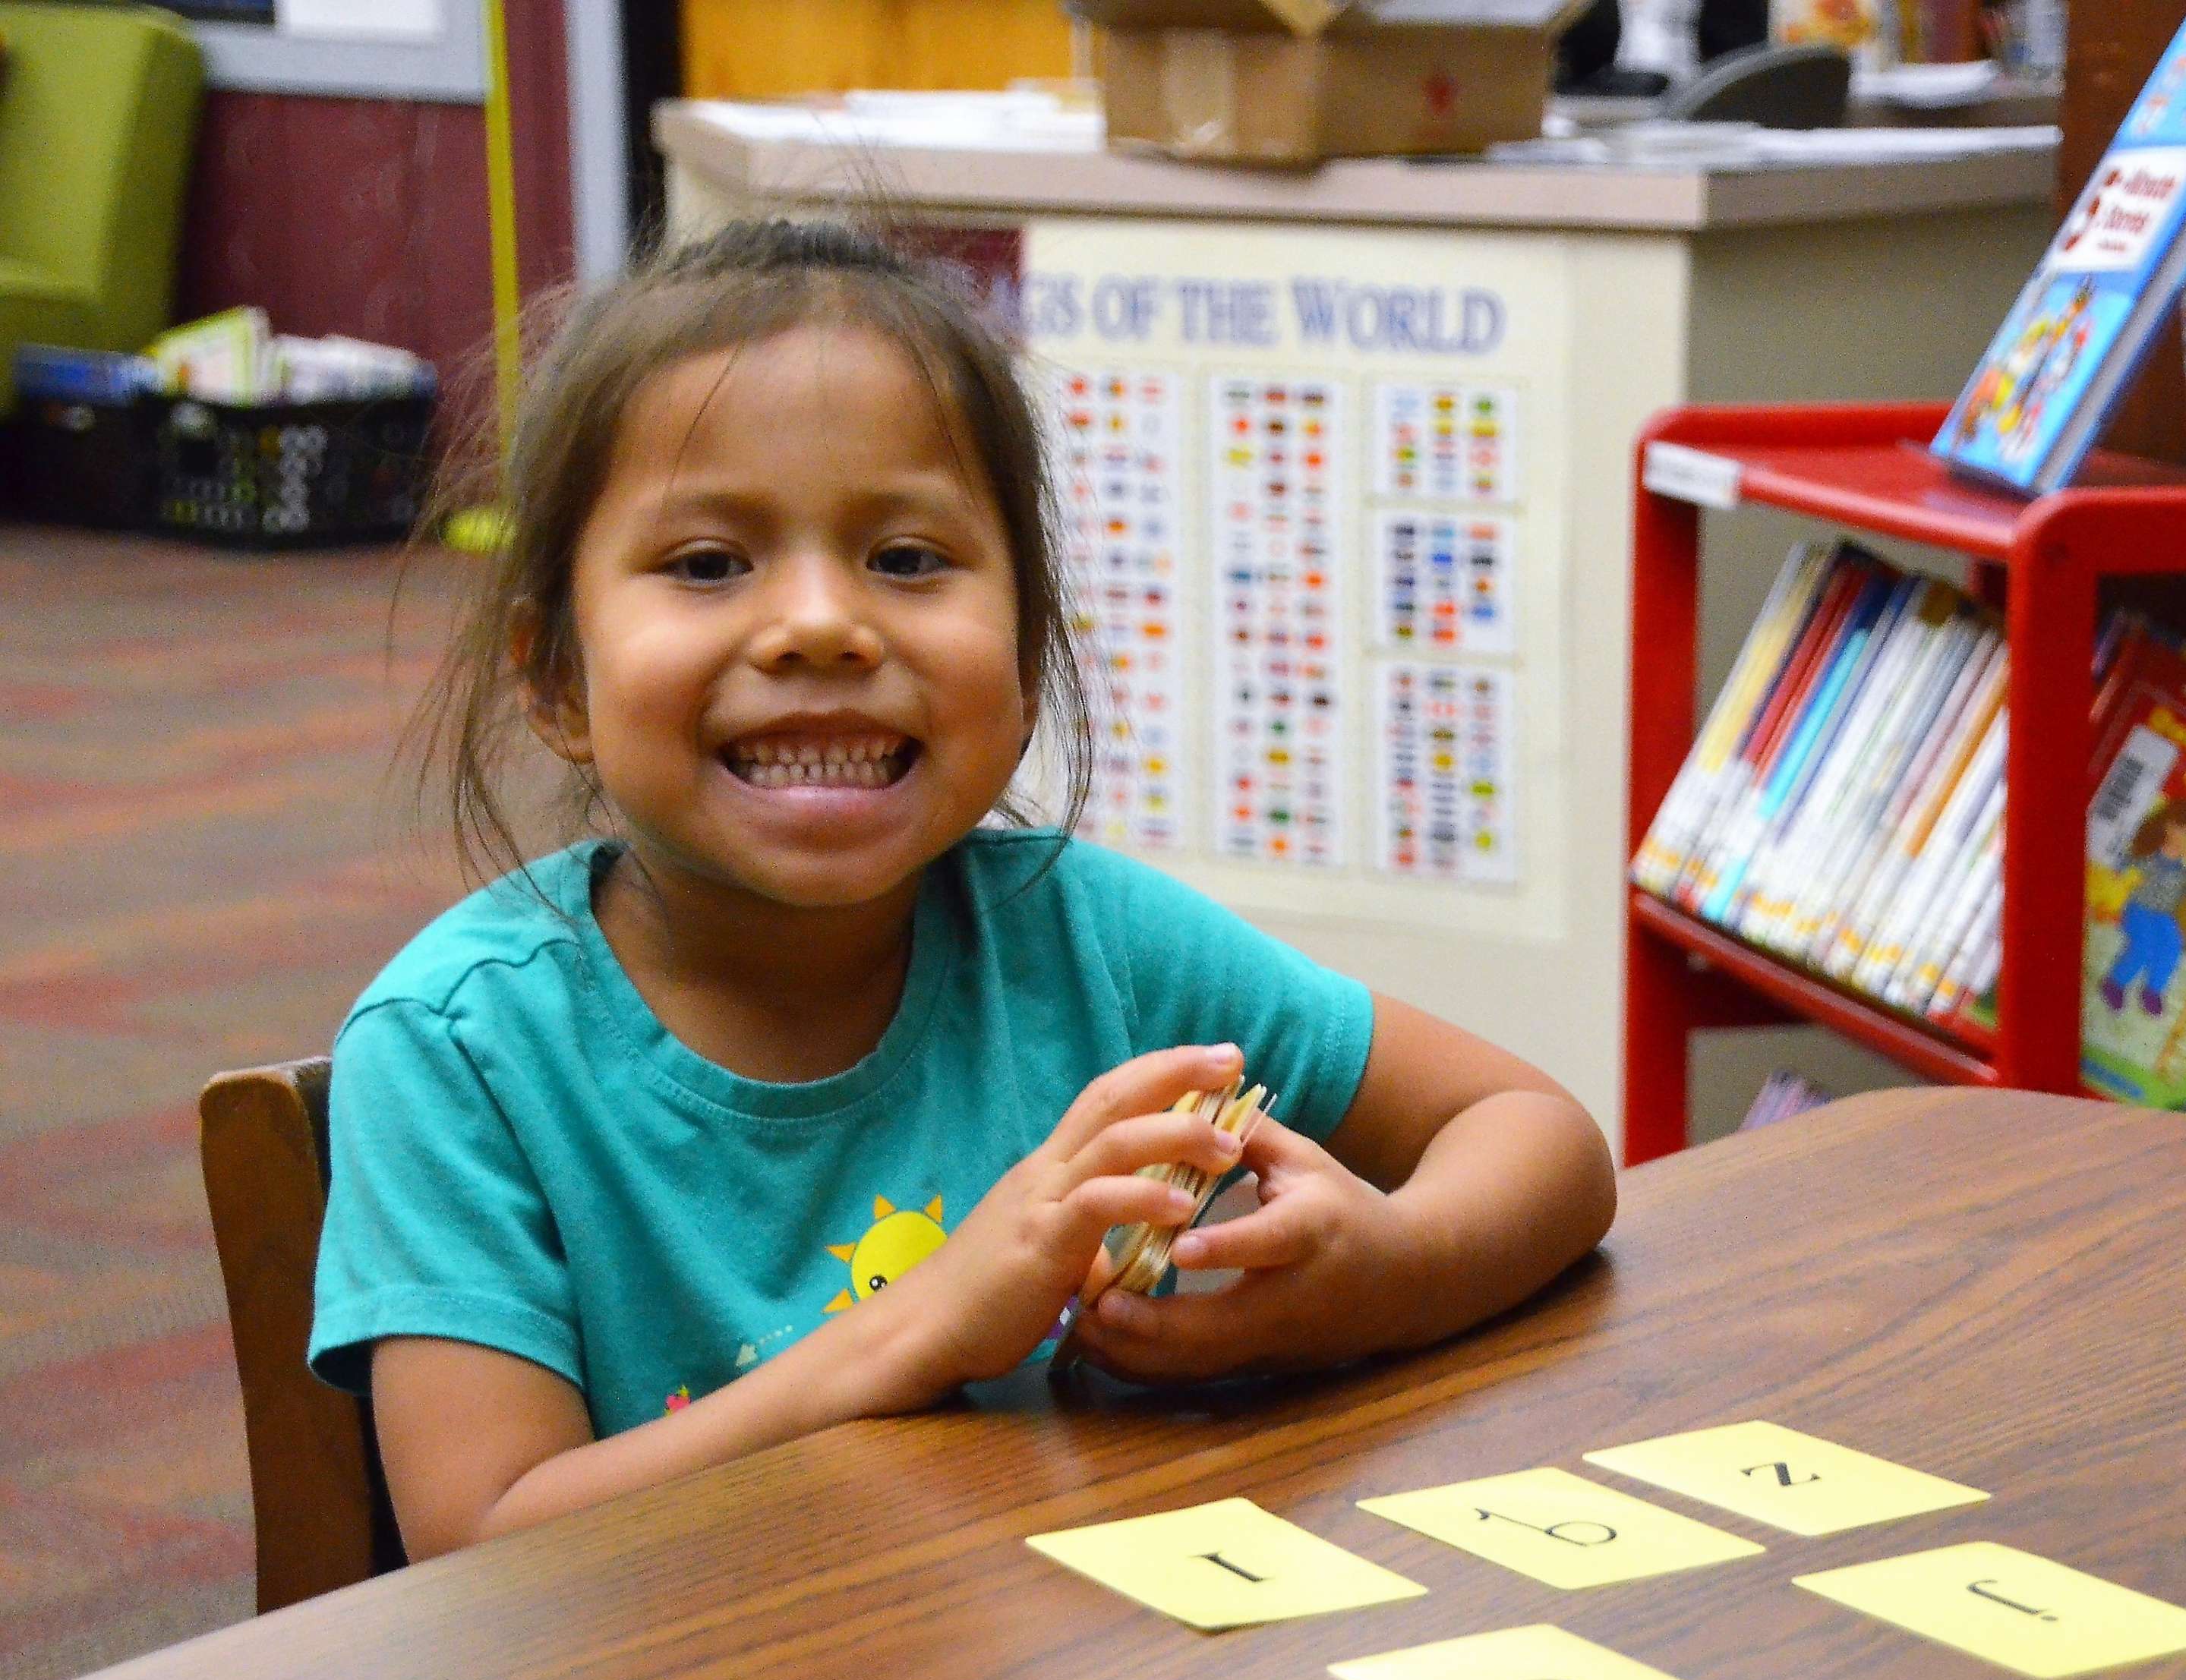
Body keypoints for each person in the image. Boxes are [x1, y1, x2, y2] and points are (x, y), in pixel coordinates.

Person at [311, 219, 1618, 1561]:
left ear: (1029, 650)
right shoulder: (455, 1052)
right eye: (708, 563)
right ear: (556, 679)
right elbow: (482, 1546)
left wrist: (1380, 1274)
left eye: (908, 559)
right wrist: (925, 1318)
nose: (822, 622)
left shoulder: (1089, 941)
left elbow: (1538, 1134)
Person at [2099, 799, 2186, 1017]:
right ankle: (2115, 983)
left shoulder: (2184, 874)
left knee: (2173, 944)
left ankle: (2153, 990)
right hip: (2138, 908)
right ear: (2171, 827)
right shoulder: (2147, 856)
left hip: (2164, 916)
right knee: (2144, 943)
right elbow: (2121, 865)